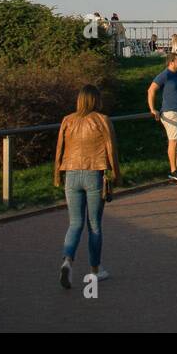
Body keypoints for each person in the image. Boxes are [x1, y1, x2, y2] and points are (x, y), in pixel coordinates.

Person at [54, 84, 119, 289]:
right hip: (94, 173)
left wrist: (57, 174)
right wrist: (116, 174)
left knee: (75, 223)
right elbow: (111, 149)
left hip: (71, 173)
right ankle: (95, 270)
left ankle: (67, 260)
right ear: (96, 100)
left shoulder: (68, 120)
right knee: (94, 225)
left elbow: (59, 148)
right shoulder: (102, 120)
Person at [147, 52, 177, 180]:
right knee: (173, 141)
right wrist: (153, 109)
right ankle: (173, 170)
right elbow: (151, 89)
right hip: (171, 112)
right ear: (171, 62)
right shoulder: (165, 74)